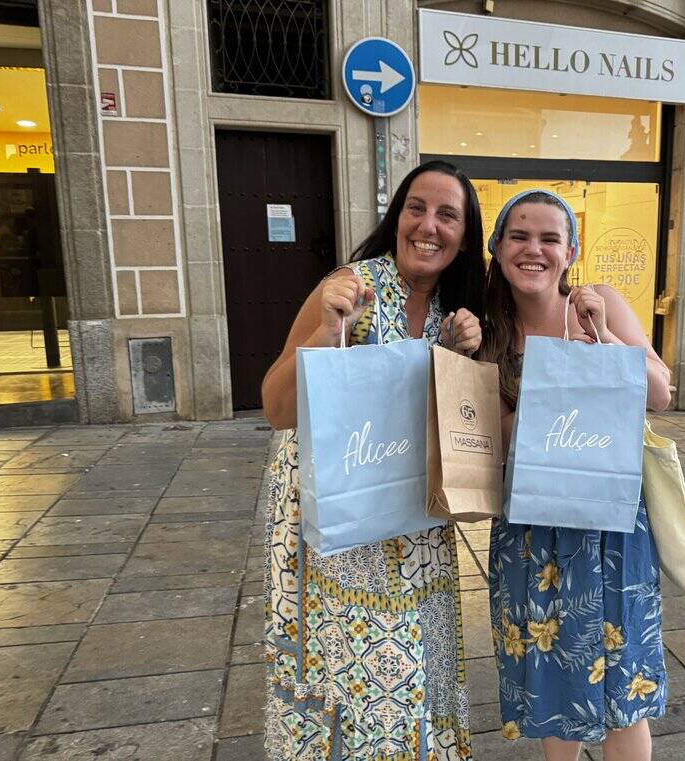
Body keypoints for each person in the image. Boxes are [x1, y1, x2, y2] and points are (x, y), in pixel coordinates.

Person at [261, 160, 485, 761]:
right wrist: (328, 329)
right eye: (417, 208)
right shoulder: (352, 286)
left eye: (448, 215)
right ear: (397, 217)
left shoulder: (455, 313)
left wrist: (461, 359)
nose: (428, 226)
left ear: (465, 235)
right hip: (337, 530)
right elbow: (277, 407)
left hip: (414, 531)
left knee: (414, 674)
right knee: (344, 678)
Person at [481, 190, 672, 761]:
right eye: (518, 236)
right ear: (497, 247)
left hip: (609, 522)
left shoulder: (601, 303)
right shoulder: (488, 331)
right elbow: (488, 435)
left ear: (570, 251)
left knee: (621, 680)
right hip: (531, 529)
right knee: (548, 676)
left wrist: (602, 340)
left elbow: (660, 393)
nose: (532, 249)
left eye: (549, 238)